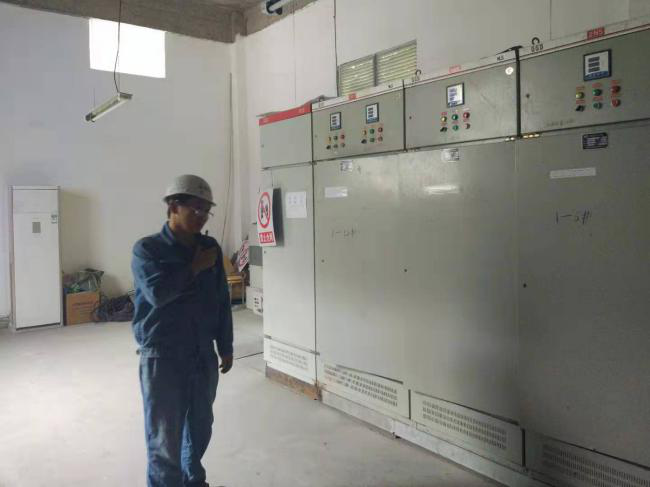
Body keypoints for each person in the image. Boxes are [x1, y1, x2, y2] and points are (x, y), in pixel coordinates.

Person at [131, 174, 234, 487]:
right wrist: (194, 268)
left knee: (200, 426)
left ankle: (193, 480)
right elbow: (158, 293)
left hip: (202, 353)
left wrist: (225, 345)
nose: (202, 216)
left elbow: (221, 298)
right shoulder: (148, 249)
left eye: (206, 210)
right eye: (195, 209)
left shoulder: (209, 247)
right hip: (163, 356)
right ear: (173, 207)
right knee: (164, 437)